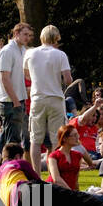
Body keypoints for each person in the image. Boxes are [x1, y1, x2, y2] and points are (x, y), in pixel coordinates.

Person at [23, 25, 72, 159]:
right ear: (56, 38)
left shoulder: (30, 53)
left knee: (35, 140)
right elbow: (68, 80)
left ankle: (36, 175)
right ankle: (54, 173)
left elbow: (26, 75)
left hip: (37, 98)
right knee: (57, 139)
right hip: (55, 98)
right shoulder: (60, 54)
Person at [0, 23, 33, 158]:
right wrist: (16, 101)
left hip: (19, 99)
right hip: (9, 101)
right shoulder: (7, 51)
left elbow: (23, 75)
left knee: (5, 138)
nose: (28, 38)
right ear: (16, 34)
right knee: (13, 140)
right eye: (25, 34)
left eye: (29, 35)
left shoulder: (22, 50)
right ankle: (11, 169)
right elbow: (5, 78)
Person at [46, 123, 93, 191]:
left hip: (69, 193)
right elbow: (56, 179)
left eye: (77, 134)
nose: (78, 137)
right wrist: (71, 193)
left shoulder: (77, 156)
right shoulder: (53, 156)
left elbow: (75, 181)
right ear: (64, 138)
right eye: (74, 135)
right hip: (52, 191)